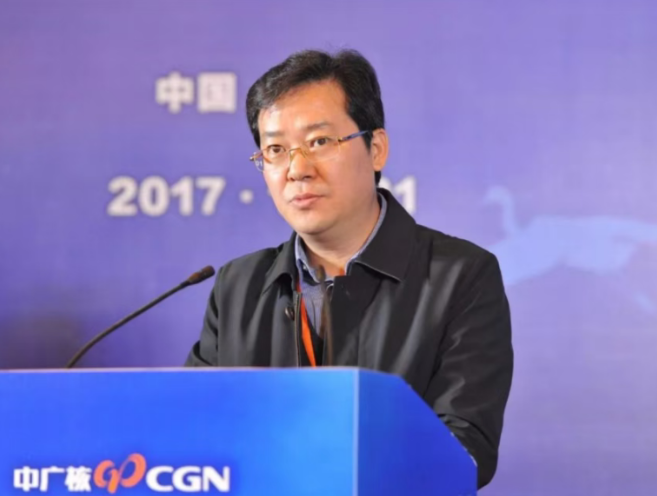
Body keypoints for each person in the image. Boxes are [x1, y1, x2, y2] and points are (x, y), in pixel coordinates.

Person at [184, 48, 513, 489]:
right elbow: (193, 435)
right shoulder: (237, 286)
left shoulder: (460, 276)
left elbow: (464, 449)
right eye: (275, 149)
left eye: (320, 142)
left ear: (376, 149)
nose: (297, 169)